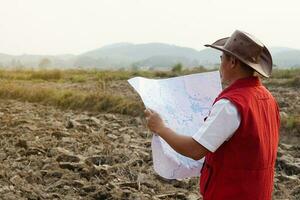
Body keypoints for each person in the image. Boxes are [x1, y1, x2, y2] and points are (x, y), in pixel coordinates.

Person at [144, 30, 280, 200]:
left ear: (232, 62)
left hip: (230, 193)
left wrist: (161, 128)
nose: (220, 65)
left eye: (221, 59)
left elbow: (194, 150)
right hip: (258, 193)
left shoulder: (231, 104)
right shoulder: (268, 97)